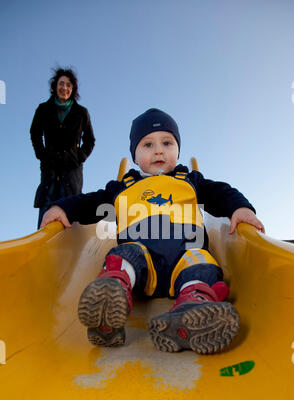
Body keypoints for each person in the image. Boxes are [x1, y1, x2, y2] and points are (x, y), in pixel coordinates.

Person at [40, 108, 265, 354]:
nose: (158, 150)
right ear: (135, 157)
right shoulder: (122, 187)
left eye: (167, 143)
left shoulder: (190, 180)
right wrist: (62, 208)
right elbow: (90, 202)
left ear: (177, 150)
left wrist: (240, 208)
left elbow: (221, 192)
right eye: (147, 144)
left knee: (201, 260)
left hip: (185, 254)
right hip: (141, 262)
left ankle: (193, 305)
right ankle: (111, 294)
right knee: (126, 253)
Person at [30, 67, 95, 228]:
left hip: (72, 171)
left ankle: (71, 251)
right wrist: (42, 154)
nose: (64, 88)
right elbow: (35, 133)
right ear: (55, 86)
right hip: (50, 169)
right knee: (47, 208)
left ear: (72, 89)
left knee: (70, 209)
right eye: (61, 84)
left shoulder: (81, 113)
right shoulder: (43, 109)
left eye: (68, 85)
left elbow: (90, 140)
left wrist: (78, 157)